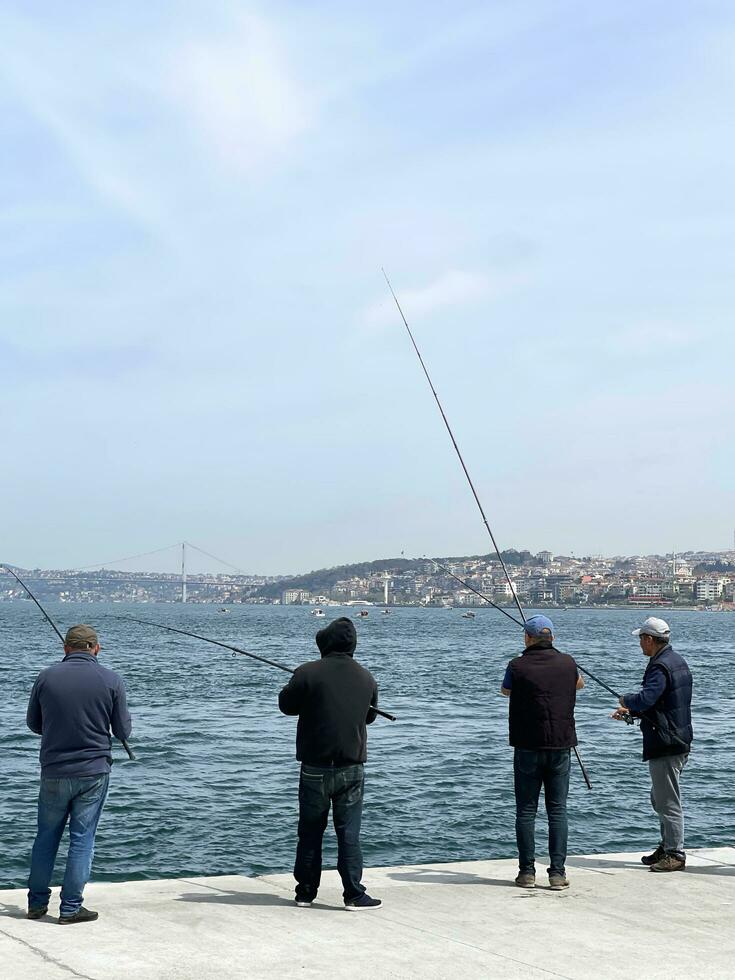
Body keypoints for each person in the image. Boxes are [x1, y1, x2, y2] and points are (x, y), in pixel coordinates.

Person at [26, 624, 132, 923]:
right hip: (93, 772)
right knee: (82, 839)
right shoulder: (112, 679)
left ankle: (36, 905)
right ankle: (70, 907)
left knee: (46, 837)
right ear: (96, 648)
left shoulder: (46, 677)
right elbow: (123, 730)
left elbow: (33, 723)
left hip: (54, 770)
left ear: (66, 648)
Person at [278, 616, 381, 911]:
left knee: (310, 830)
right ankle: (354, 894)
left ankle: (306, 892)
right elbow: (369, 717)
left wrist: (298, 686)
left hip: (315, 767)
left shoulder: (307, 673)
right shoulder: (367, 678)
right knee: (349, 832)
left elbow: (286, 705)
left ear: (324, 643)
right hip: (352, 767)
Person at [501, 615, 584, 890]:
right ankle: (557, 874)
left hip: (527, 745)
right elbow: (579, 685)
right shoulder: (568, 663)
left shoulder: (517, 665)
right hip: (561, 745)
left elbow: (505, 691)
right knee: (557, 810)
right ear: (553, 638)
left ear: (527, 638)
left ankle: (526, 873)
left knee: (526, 810)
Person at [612, 616, 692, 872]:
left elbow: (647, 698)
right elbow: (663, 703)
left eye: (640, 639)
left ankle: (675, 853)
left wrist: (626, 700)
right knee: (659, 797)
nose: (639, 644)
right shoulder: (677, 661)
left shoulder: (659, 666)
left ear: (649, 639)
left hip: (666, 741)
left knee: (667, 800)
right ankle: (666, 845)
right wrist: (631, 712)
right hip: (678, 737)